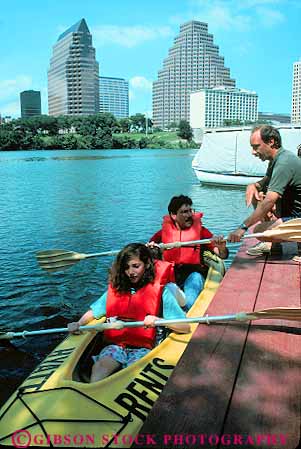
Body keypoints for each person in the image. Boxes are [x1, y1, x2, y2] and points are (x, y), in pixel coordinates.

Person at [68, 243, 190, 382]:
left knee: (132, 373)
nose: (130, 272)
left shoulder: (163, 293)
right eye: (126, 267)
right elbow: (94, 312)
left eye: (135, 266)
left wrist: (158, 320)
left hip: (145, 348)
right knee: (100, 367)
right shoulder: (116, 289)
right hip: (117, 345)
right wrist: (78, 323)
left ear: (146, 265)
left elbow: (185, 327)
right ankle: (90, 392)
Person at [228, 125, 301, 254]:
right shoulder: (276, 160)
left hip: (298, 219)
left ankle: (282, 242)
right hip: (291, 215)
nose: (253, 152)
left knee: (260, 232)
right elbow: (265, 181)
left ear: (271, 142)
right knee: (258, 196)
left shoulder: (284, 162)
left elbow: (269, 201)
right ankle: (275, 246)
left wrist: (243, 227)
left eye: (256, 146)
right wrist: (253, 186)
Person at [149, 195, 228, 310]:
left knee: (192, 290)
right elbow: (146, 252)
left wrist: (221, 248)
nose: (189, 215)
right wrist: (151, 248)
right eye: (184, 212)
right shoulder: (162, 234)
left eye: (190, 210)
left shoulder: (202, 232)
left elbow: (222, 255)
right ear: (173, 215)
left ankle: (185, 312)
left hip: (193, 273)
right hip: (171, 275)